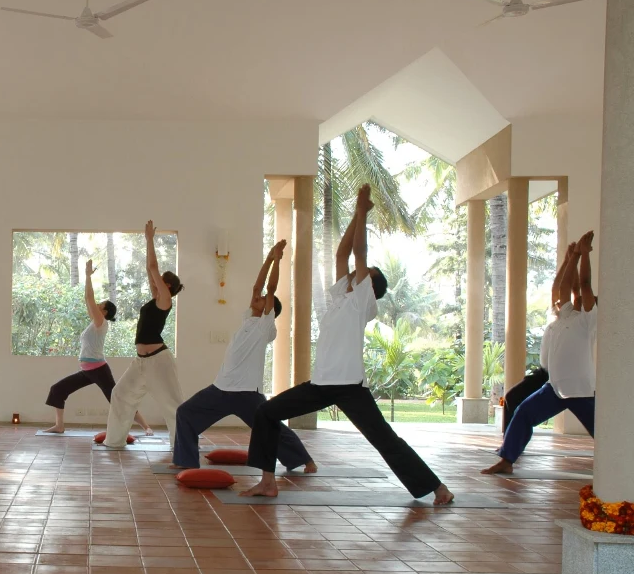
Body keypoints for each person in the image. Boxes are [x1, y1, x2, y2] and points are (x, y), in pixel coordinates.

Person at [243, 185, 454, 505]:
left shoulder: (362, 302)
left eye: (363, 272)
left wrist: (360, 212)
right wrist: (357, 216)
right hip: (321, 384)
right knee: (267, 412)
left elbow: (358, 253)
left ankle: (438, 488)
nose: (355, 270)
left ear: (370, 284)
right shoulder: (342, 296)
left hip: (350, 387)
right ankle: (268, 482)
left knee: (384, 439)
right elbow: (343, 254)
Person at [172, 240, 316, 473]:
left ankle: (305, 460)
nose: (255, 299)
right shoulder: (248, 319)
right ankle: (186, 461)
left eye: (260, 300)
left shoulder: (266, 327)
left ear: (270, 309)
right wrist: (268, 258)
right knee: (185, 413)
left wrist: (277, 261)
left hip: (247, 393)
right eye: (255, 299)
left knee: (271, 425)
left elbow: (269, 289)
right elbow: (256, 287)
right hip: (220, 389)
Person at [482, 232, 597, 474]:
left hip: (581, 391)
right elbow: (566, 286)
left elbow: (584, 285)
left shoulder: (588, 320)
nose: (581, 296)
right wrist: (572, 257)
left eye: (587, 298)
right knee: (523, 412)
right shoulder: (565, 314)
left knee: (605, 435)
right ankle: (506, 461)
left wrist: (584, 254)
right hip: (555, 388)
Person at [43, 259, 153, 435]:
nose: (97, 305)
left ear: (105, 312)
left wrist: (87, 276)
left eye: (100, 305)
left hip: (98, 369)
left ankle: (146, 427)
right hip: (87, 370)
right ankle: (59, 426)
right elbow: (88, 300)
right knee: (58, 389)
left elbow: (89, 298)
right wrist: (86, 278)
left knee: (117, 399)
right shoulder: (96, 322)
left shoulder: (101, 322)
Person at [102, 221, 185, 448]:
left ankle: (182, 449)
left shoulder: (165, 300)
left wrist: (149, 240)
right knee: (120, 394)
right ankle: (114, 442)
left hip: (159, 361)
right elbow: (151, 271)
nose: (154, 283)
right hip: (141, 361)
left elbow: (153, 267)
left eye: (160, 282)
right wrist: (147, 243)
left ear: (167, 285)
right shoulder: (155, 299)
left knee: (173, 406)